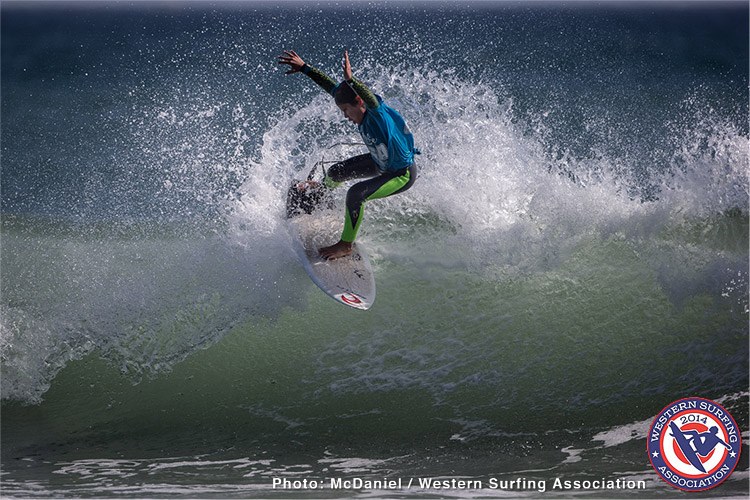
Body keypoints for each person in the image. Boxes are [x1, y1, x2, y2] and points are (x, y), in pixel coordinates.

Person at [277, 49, 418, 260]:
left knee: (356, 194)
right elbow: (332, 88)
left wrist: (353, 81)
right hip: (380, 163)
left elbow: (370, 99)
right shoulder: (356, 106)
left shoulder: (377, 115)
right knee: (335, 172)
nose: (346, 116)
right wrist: (305, 68)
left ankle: (345, 245)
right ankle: (319, 197)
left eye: (346, 111)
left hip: (400, 174)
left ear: (359, 103)